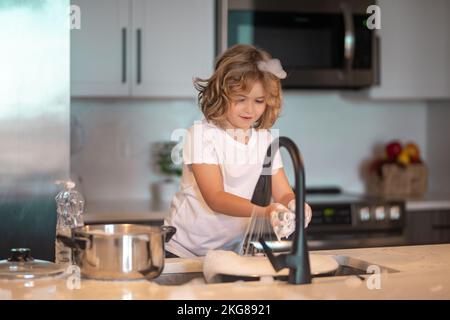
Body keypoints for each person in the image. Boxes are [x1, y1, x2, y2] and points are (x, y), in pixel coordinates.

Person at [164, 44, 312, 258]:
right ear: (221, 94)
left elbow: (281, 191)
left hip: (228, 253)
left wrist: (294, 204)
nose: (250, 109)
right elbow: (216, 197)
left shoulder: (264, 139)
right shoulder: (201, 135)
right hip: (183, 251)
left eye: (259, 101)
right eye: (241, 99)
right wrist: (266, 211)